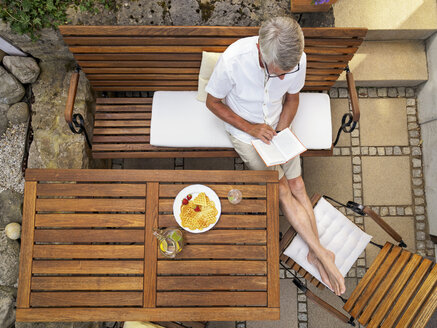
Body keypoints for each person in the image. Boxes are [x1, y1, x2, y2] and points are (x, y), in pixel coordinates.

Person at [205, 16, 346, 295]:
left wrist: (282, 131)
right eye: (277, 72)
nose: (283, 77)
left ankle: (316, 254)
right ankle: (321, 254)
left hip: (278, 128)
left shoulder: (296, 59)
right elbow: (212, 102)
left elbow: (292, 99)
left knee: (298, 184)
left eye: (287, 71)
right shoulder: (234, 60)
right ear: (260, 50)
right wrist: (252, 128)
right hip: (245, 133)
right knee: (281, 189)